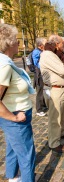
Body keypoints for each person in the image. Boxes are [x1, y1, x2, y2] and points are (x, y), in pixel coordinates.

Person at [0, 24, 35, 181]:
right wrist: (14, 118)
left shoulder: (5, 61)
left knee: (13, 149)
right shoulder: (5, 65)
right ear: (8, 43)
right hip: (15, 116)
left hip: (13, 113)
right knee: (27, 156)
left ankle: (12, 177)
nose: (19, 43)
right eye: (16, 40)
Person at [40, 35, 64, 153]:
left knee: (63, 115)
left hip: (60, 88)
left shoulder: (54, 54)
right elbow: (62, 70)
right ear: (56, 44)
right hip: (54, 90)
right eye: (63, 43)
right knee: (55, 118)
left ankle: (60, 133)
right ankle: (53, 143)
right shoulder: (48, 54)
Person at [32, 37, 47, 116]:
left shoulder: (41, 51)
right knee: (39, 92)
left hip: (42, 73)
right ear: (41, 45)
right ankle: (38, 109)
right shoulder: (36, 52)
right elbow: (37, 64)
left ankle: (43, 105)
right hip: (39, 74)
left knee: (43, 90)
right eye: (45, 43)